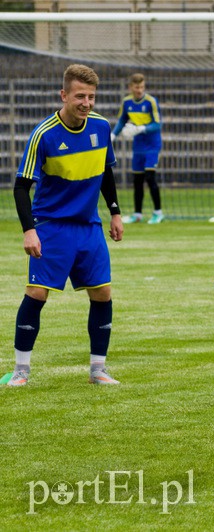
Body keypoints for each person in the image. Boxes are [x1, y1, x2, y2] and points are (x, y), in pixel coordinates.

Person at [9, 64, 123, 387]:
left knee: (102, 293)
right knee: (37, 293)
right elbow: (21, 186)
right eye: (79, 96)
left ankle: (98, 369)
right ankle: (21, 370)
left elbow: (106, 171)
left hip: (89, 226)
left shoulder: (101, 127)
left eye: (91, 96)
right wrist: (29, 230)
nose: (86, 103)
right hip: (52, 226)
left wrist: (115, 211)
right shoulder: (43, 134)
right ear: (64, 95)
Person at [111, 72, 164, 225]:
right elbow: (122, 121)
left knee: (150, 177)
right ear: (131, 87)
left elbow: (157, 124)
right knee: (137, 180)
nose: (139, 90)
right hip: (138, 145)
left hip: (152, 145)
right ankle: (137, 214)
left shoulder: (151, 102)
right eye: (136, 87)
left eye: (141, 87)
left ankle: (158, 213)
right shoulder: (127, 102)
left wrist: (140, 128)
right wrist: (113, 135)